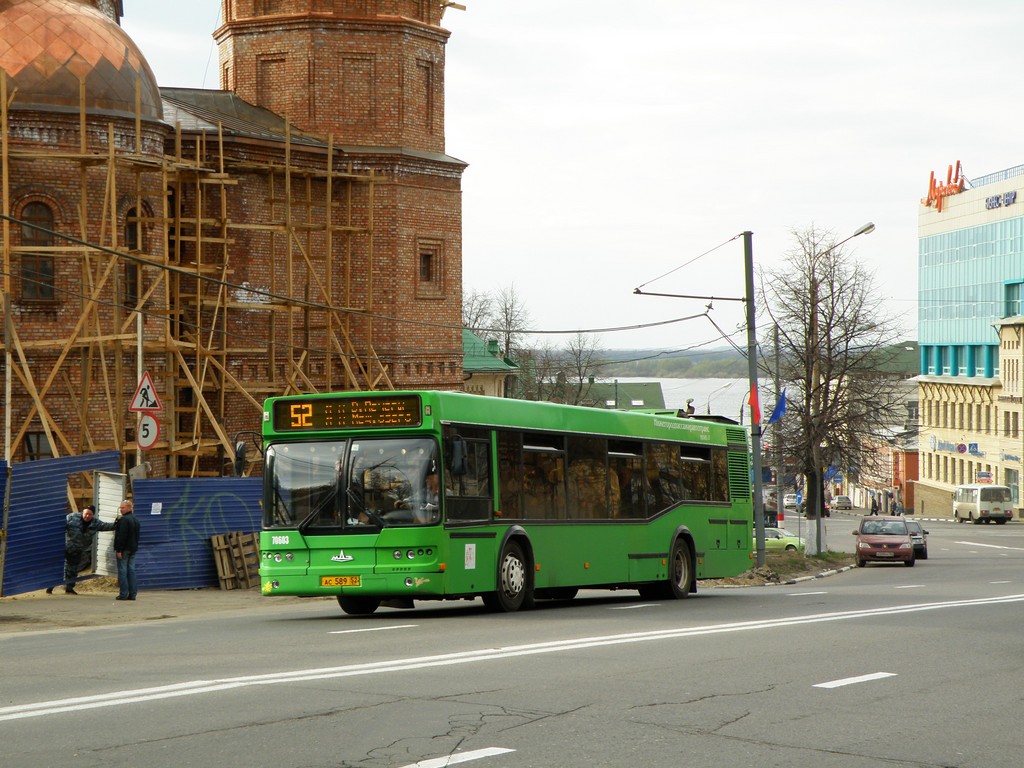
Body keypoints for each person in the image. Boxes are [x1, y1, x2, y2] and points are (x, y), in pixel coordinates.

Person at [55, 504, 114, 594]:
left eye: (90, 514)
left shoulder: (95, 523)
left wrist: (118, 523)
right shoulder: (71, 517)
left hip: (77, 551)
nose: (87, 516)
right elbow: (58, 526)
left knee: (73, 569)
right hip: (65, 547)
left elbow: (106, 526)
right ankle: (50, 586)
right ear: (82, 512)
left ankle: (69, 588)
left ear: (93, 515)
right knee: (58, 568)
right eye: (86, 513)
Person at [113, 499, 141, 600]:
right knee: (131, 570)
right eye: (120, 507)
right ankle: (133, 594)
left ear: (129, 508)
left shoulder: (124, 520)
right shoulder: (135, 519)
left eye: (123, 508)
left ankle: (123, 594)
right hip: (133, 548)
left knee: (123, 571)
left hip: (124, 549)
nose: (121, 509)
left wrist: (119, 550)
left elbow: (122, 536)